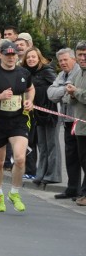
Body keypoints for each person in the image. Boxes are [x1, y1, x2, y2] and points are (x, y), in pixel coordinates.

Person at [0, 41, 35, 213]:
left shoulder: (24, 73)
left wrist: (29, 101)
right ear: (1, 55)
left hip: (18, 120)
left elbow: (31, 89)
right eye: (7, 54)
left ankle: (15, 193)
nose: (11, 58)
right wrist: (0, 96)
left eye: (14, 54)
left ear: (17, 56)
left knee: (19, 158)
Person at [22, 47, 61, 186]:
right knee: (42, 145)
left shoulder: (46, 71)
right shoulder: (26, 73)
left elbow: (57, 87)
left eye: (33, 57)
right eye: (28, 57)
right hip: (37, 113)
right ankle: (41, 174)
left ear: (39, 58)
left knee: (52, 144)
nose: (31, 59)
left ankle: (53, 175)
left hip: (51, 112)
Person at [48, 48, 83, 200]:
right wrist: (66, 89)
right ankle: (72, 188)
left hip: (80, 120)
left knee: (83, 157)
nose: (62, 63)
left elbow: (72, 94)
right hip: (67, 121)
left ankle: (83, 192)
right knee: (71, 156)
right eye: (60, 60)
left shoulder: (79, 72)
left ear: (73, 59)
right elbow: (51, 94)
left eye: (65, 60)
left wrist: (69, 91)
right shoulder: (62, 75)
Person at [66, 42, 86, 206]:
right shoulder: (79, 74)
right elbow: (68, 100)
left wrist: (76, 92)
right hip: (80, 126)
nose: (82, 58)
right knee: (83, 160)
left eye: (85, 54)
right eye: (79, 54)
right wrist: (71, 95)